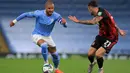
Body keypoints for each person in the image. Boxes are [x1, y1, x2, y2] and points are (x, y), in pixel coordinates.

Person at [68, 0, 126, 73]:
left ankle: (101, 69)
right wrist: (119, 29)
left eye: (88, 9)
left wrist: (78, 21)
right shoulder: (98, 13)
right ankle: (92, 64)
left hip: (111, 37)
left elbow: (93, 22)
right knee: (90, 54)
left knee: (98, 54)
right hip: (101, 35)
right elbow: (112, 22)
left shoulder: (102, 13)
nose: (89, 11)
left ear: (90, 8)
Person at [10, 0, 67, 73]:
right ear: (45, 8)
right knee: (44, 45)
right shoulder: (39, 13)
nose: (51, 10)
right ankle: (46, 63)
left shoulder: (56, 15)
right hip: (36, 35)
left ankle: (56, 69)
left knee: (55, 55)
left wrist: (64, 23)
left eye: (52, 8)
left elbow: (64, 24)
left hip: (47, 37)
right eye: (49, 8)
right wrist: (14, 21)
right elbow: (25, 14)